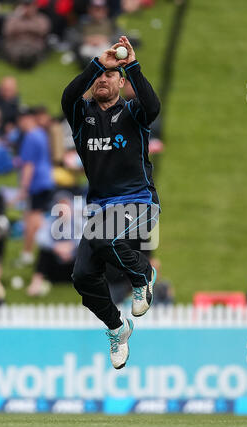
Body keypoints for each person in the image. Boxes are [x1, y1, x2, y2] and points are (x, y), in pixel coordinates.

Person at [61, 36, 161, 369]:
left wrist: (131, 65)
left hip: (138, 202)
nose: (103, 80)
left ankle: (143, 275)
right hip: (102, 208)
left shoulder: (133, 112)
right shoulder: (81, 115)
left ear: (121, 82)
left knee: (106, 237)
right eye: (98, 76)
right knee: (82, 276)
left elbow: (153, 106)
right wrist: (95, 64)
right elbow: (68, 95)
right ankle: (117, 329)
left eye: (109, 75)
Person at [15, 107, 55, 266]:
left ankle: (27, 253)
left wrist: (23, 188)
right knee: (37, 217)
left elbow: (28, 165)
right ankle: (43, 247)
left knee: (31, 219)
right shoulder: (41, 133)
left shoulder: (31, 136)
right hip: (46, 179)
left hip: (37, 183)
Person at [2, 0, 51, 69]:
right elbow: (7, 32)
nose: (27, 8)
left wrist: (22, 28)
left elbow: (43, 31)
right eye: (25, 6)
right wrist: (17, 16)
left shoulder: (41, 18)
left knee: (31, 52)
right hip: (16, 44)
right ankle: (19, 60)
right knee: (16, 51)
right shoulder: (13, 18)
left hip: (33, 44)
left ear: (35, 7)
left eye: (30, 6)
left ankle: (29, 60)